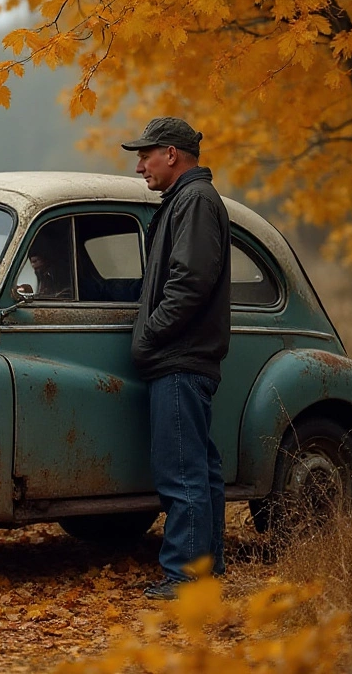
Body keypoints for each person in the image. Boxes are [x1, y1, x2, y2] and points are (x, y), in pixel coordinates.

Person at [122, 117, 232, 600]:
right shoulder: (187, 202)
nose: (139, 165)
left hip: (180, 357)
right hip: (185, 355)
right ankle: (207, 566)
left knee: (181, 470)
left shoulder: (193, 202)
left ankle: (186, 576)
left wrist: (148, 336)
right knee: (199, 468)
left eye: (146, 155)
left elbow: (189, 283)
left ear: (172, 154)